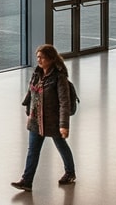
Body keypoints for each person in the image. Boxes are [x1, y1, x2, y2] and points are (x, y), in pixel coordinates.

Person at [11, 43, 75, 190]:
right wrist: (29, 113)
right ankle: (26, 181)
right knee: (32, 150)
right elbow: (32, 95)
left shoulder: (59, 77)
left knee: (61, 146)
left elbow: (64, 103)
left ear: (51, 59)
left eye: (42, 58)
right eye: (37, 57)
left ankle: (70, 173)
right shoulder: (37, 73)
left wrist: (64, 125)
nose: (39, 61)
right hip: (36, 120)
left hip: (53, 121)